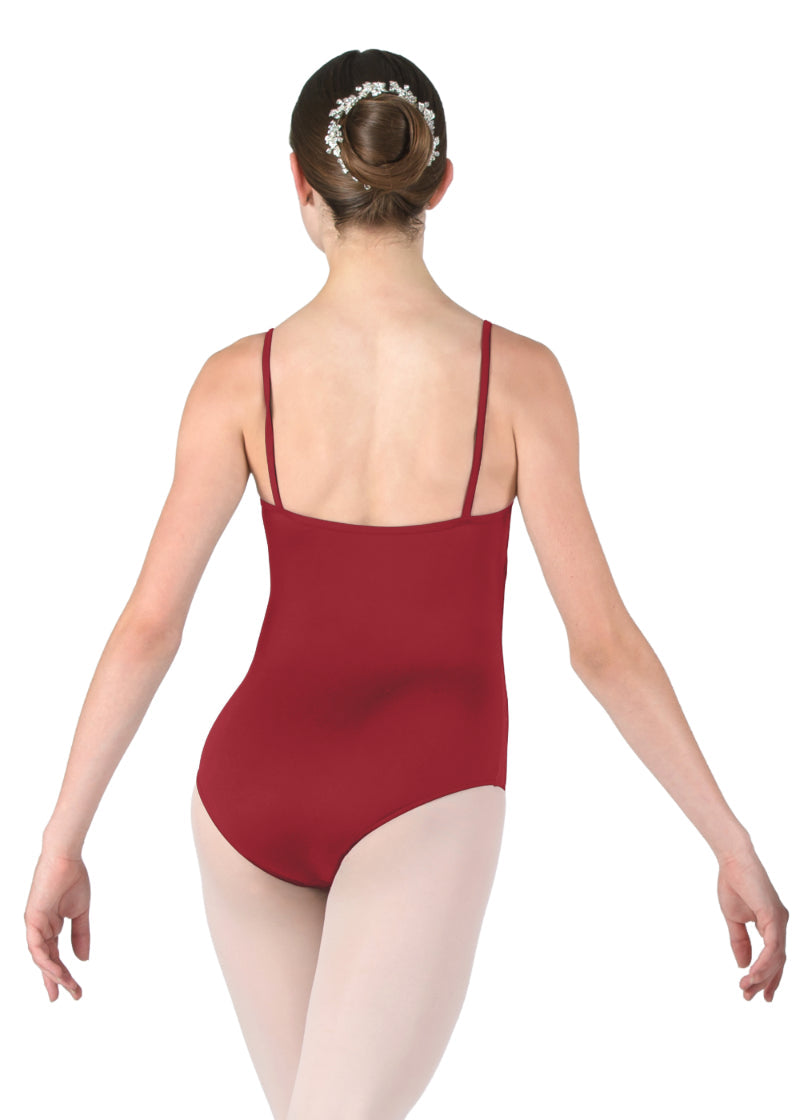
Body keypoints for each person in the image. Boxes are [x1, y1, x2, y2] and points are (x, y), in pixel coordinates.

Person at [24, 47, 788, 1120]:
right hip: (428, 791)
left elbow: (149, 625)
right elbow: (601, 644)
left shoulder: (237, 380)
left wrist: (61, 839)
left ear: (298, 183)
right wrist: (729, 840)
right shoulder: (518, 379)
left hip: (248, 794)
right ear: (440, 182)